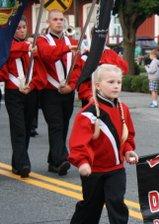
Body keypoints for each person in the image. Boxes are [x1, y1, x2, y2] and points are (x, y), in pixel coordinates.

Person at [68, 64, 138, 224]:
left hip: (116, 170)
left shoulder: (123, 110)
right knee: (90, 206)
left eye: (119, 82)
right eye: (111, 82)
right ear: (98, 86)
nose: (116, 86)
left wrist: (128, 151)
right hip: (93, 170)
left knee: (117, 205)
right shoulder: (88, 113)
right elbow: (78, 142)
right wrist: (82, 162)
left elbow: (127, 136)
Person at [0, 16, 46, 178]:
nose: (21, 30)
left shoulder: (31, 47)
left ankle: (17, 163)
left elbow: (40, 70)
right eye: (18, 28)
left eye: (24, 27)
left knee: (26, 128)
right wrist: (27, 47)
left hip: (30, 92)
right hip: (13, 93)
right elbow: (9, 52)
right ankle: (24, 164)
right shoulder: (7, 44)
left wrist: (32, 86)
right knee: (18, 128)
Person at [36, 9, 78, 176]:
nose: (59, 22)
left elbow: (77, 67)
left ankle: (53, 162)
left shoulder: (72, 40)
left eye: (61, 19)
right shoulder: (42, 40)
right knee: (56, 125)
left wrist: (72, 85)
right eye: (55, 19)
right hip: (49, 92)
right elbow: (48, 56)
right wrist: (67, 48)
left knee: (64, 126)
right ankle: (62, 159)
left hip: (67, 91)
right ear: (48, 22)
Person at [70, 32, 128, 107]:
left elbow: (124, 70)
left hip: (109, 97)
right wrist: (89, 96)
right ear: (92, 36)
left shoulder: (112, 54)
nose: (103, 38)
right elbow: (81, 82)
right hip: (91, 98)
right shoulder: (85, 57)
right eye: (99, 35)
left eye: (105, 35)